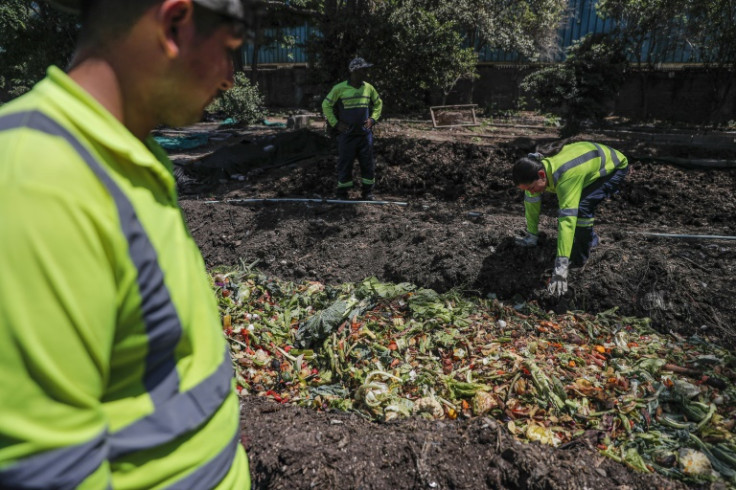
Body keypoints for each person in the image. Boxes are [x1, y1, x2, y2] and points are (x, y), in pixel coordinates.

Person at [0, 0, 252, 488]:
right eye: (229, 51)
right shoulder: (35, 180)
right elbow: (48, 472)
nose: (229, 80)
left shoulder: (128, 153)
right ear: (175, 24)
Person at [512, 140, 629, 297]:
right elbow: (531, 204)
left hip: (613, 167)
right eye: (527, 190)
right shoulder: (536, 173)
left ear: (541, 175)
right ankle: (589, 239)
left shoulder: (566, 176)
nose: (531, 192)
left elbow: (567, 220)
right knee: (578, 206)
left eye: (532, 188)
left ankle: (580, 256)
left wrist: (561, 267)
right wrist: (532, 235)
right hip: (585, 165)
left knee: (581, 209)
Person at [322, 57, 383, 201]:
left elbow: (378, 103)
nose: (365, 73)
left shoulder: (368, 87)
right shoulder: (339, 88)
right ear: (354, 71)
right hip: (347, 135)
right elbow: (326, 105)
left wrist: (373, 119)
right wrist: (336, 124)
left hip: (364, 135)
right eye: (363, 70)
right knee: (345, 163)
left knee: (367, 163)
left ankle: (368, 193)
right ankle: (342, 194)